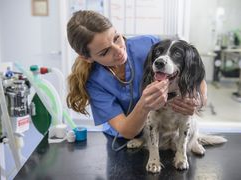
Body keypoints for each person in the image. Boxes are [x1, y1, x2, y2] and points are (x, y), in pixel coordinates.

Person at [66, 10, 207, 139]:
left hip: (162, 134)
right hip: (124, 141)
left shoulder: (148, 44)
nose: (119, 51)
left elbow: (192, 66)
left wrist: (199, 100)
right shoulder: (94, 82)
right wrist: (144, 105)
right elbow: (127, 131)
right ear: (87, 58)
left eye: (116, 38)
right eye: (104, 52)